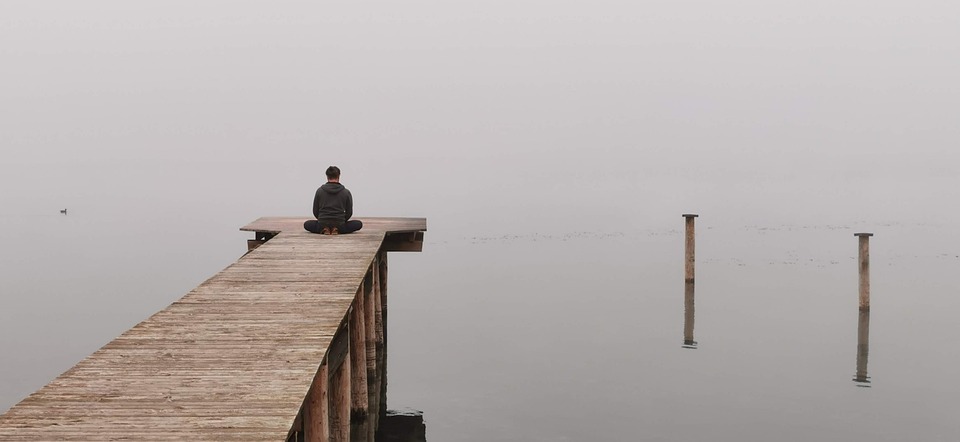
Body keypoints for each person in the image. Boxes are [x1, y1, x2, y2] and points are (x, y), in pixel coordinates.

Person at [303, 166, 363, 235]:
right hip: (340, 223)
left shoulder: (319, 191)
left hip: (322, 223)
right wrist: (341, 221)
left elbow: (315, 211)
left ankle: (325, 229)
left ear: (327, 176)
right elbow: (349, 212)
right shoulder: (346, 192)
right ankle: (337, 229)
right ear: (339, 176)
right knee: (358, 224)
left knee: (307, 224)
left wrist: (322, 221)